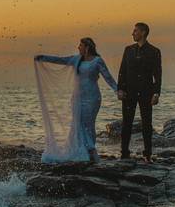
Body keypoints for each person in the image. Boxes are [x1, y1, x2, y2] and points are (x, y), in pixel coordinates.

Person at [35, 37, 118, 163]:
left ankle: (90, 149)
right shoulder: (76, 59)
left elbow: (107, 76)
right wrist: (43, 57)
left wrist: (117, 90)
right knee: (77, 124)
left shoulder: (97, 61)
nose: (78, 47)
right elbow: (61, 60)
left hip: (92, 98)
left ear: (87, 47)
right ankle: (82, 151)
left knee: (88, 124)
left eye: (80, 45)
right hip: (77, 98)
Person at [116, 22, 162, 163]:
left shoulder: (154, 51)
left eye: (135, 31)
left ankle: (147, 154)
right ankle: (124, 153)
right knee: (127, 123)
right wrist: (120, 89)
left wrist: (156, 93)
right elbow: (122, 71)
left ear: (143, 32)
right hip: (129, 92)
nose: (133, 33)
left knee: (146, 123)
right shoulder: (128, 50)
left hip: (146, 92)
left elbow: (158, 74)